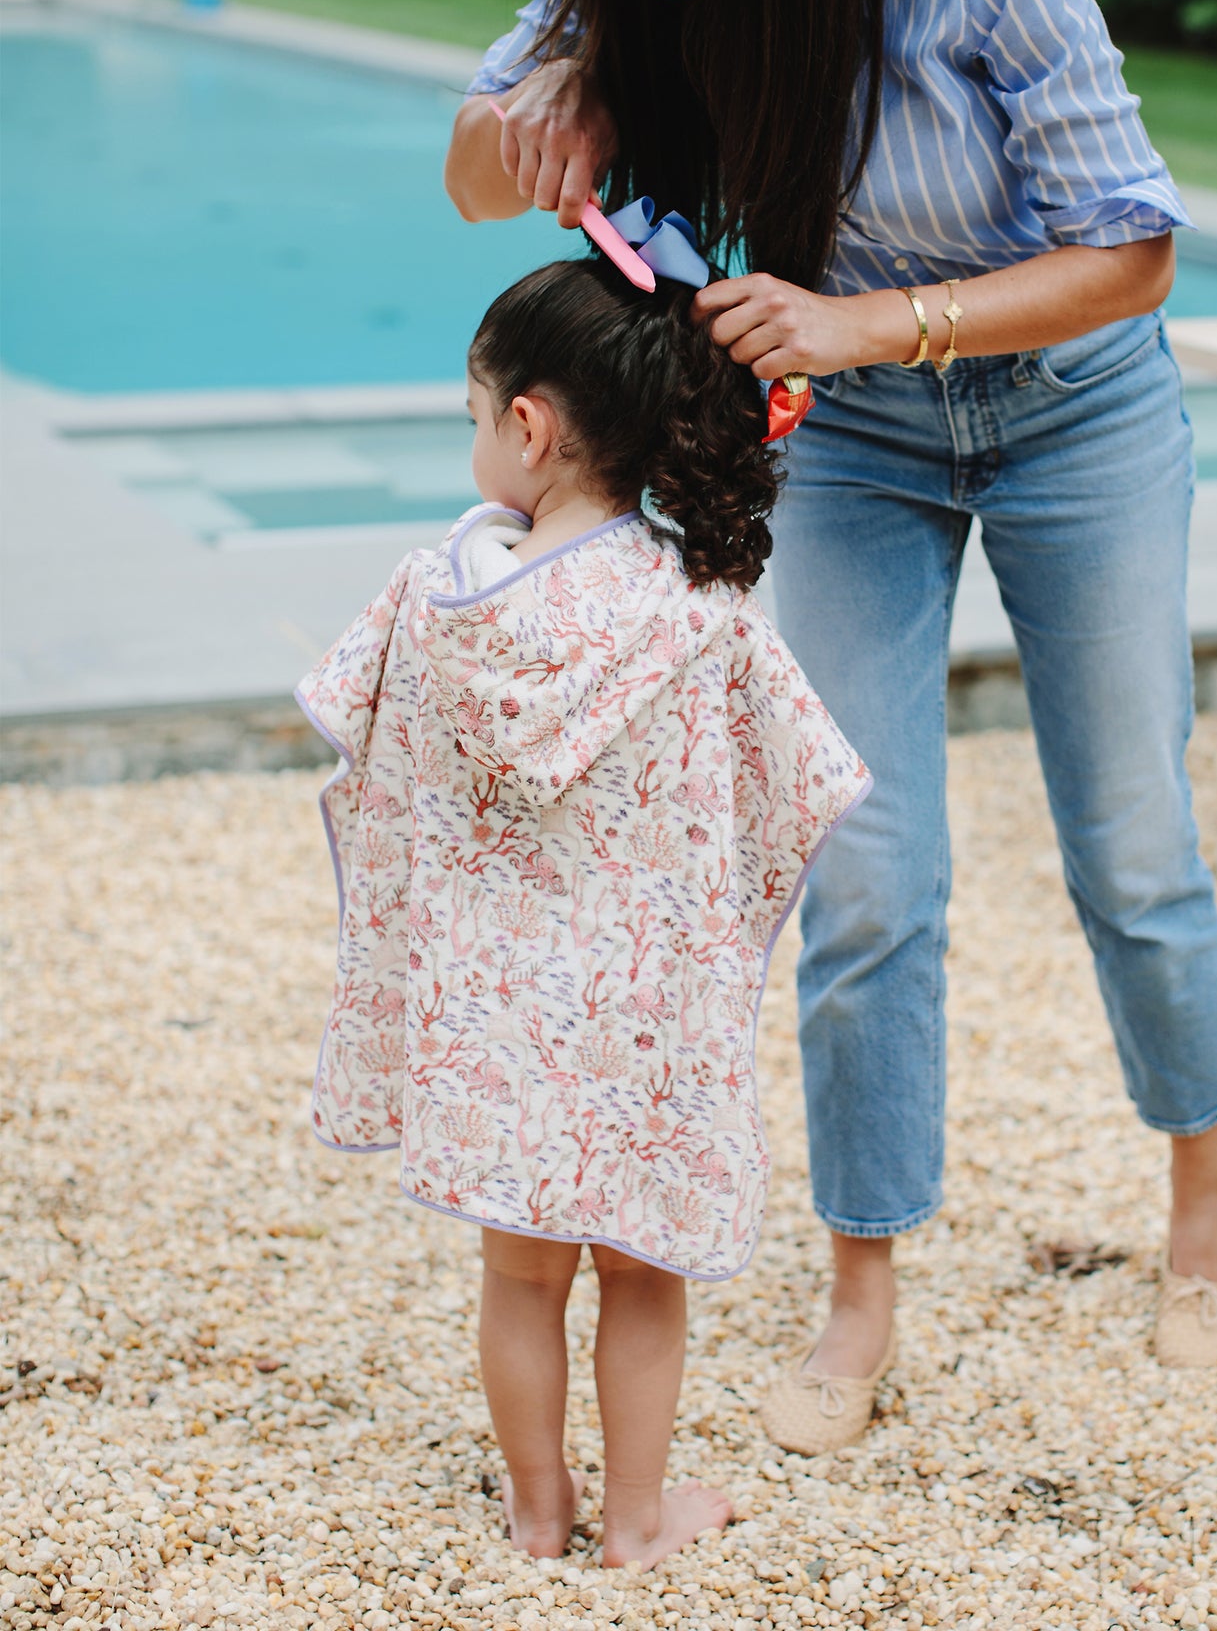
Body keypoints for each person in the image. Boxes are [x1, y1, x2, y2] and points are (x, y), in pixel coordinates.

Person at [429, 0, 1217, 1456]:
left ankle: (1199, 1196)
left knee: (1129, 836)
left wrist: (869, 328)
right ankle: (858, 1292)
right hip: (858, 440)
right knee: (862, 870)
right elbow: (472, 183)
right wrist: (535, 114)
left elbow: (1135, 253)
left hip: (1072, 412)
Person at [297, 249, 869, 1561]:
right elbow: (801, 785)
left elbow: (363, 755)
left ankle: (536, 1513)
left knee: (519, 1279)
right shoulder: (701, 610)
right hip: (642, 1029)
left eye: (473, 413)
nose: (473, 438)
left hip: (495, 1033)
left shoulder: (431, 601)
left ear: (531, 427)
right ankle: (633, 1522)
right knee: (641, 1281)